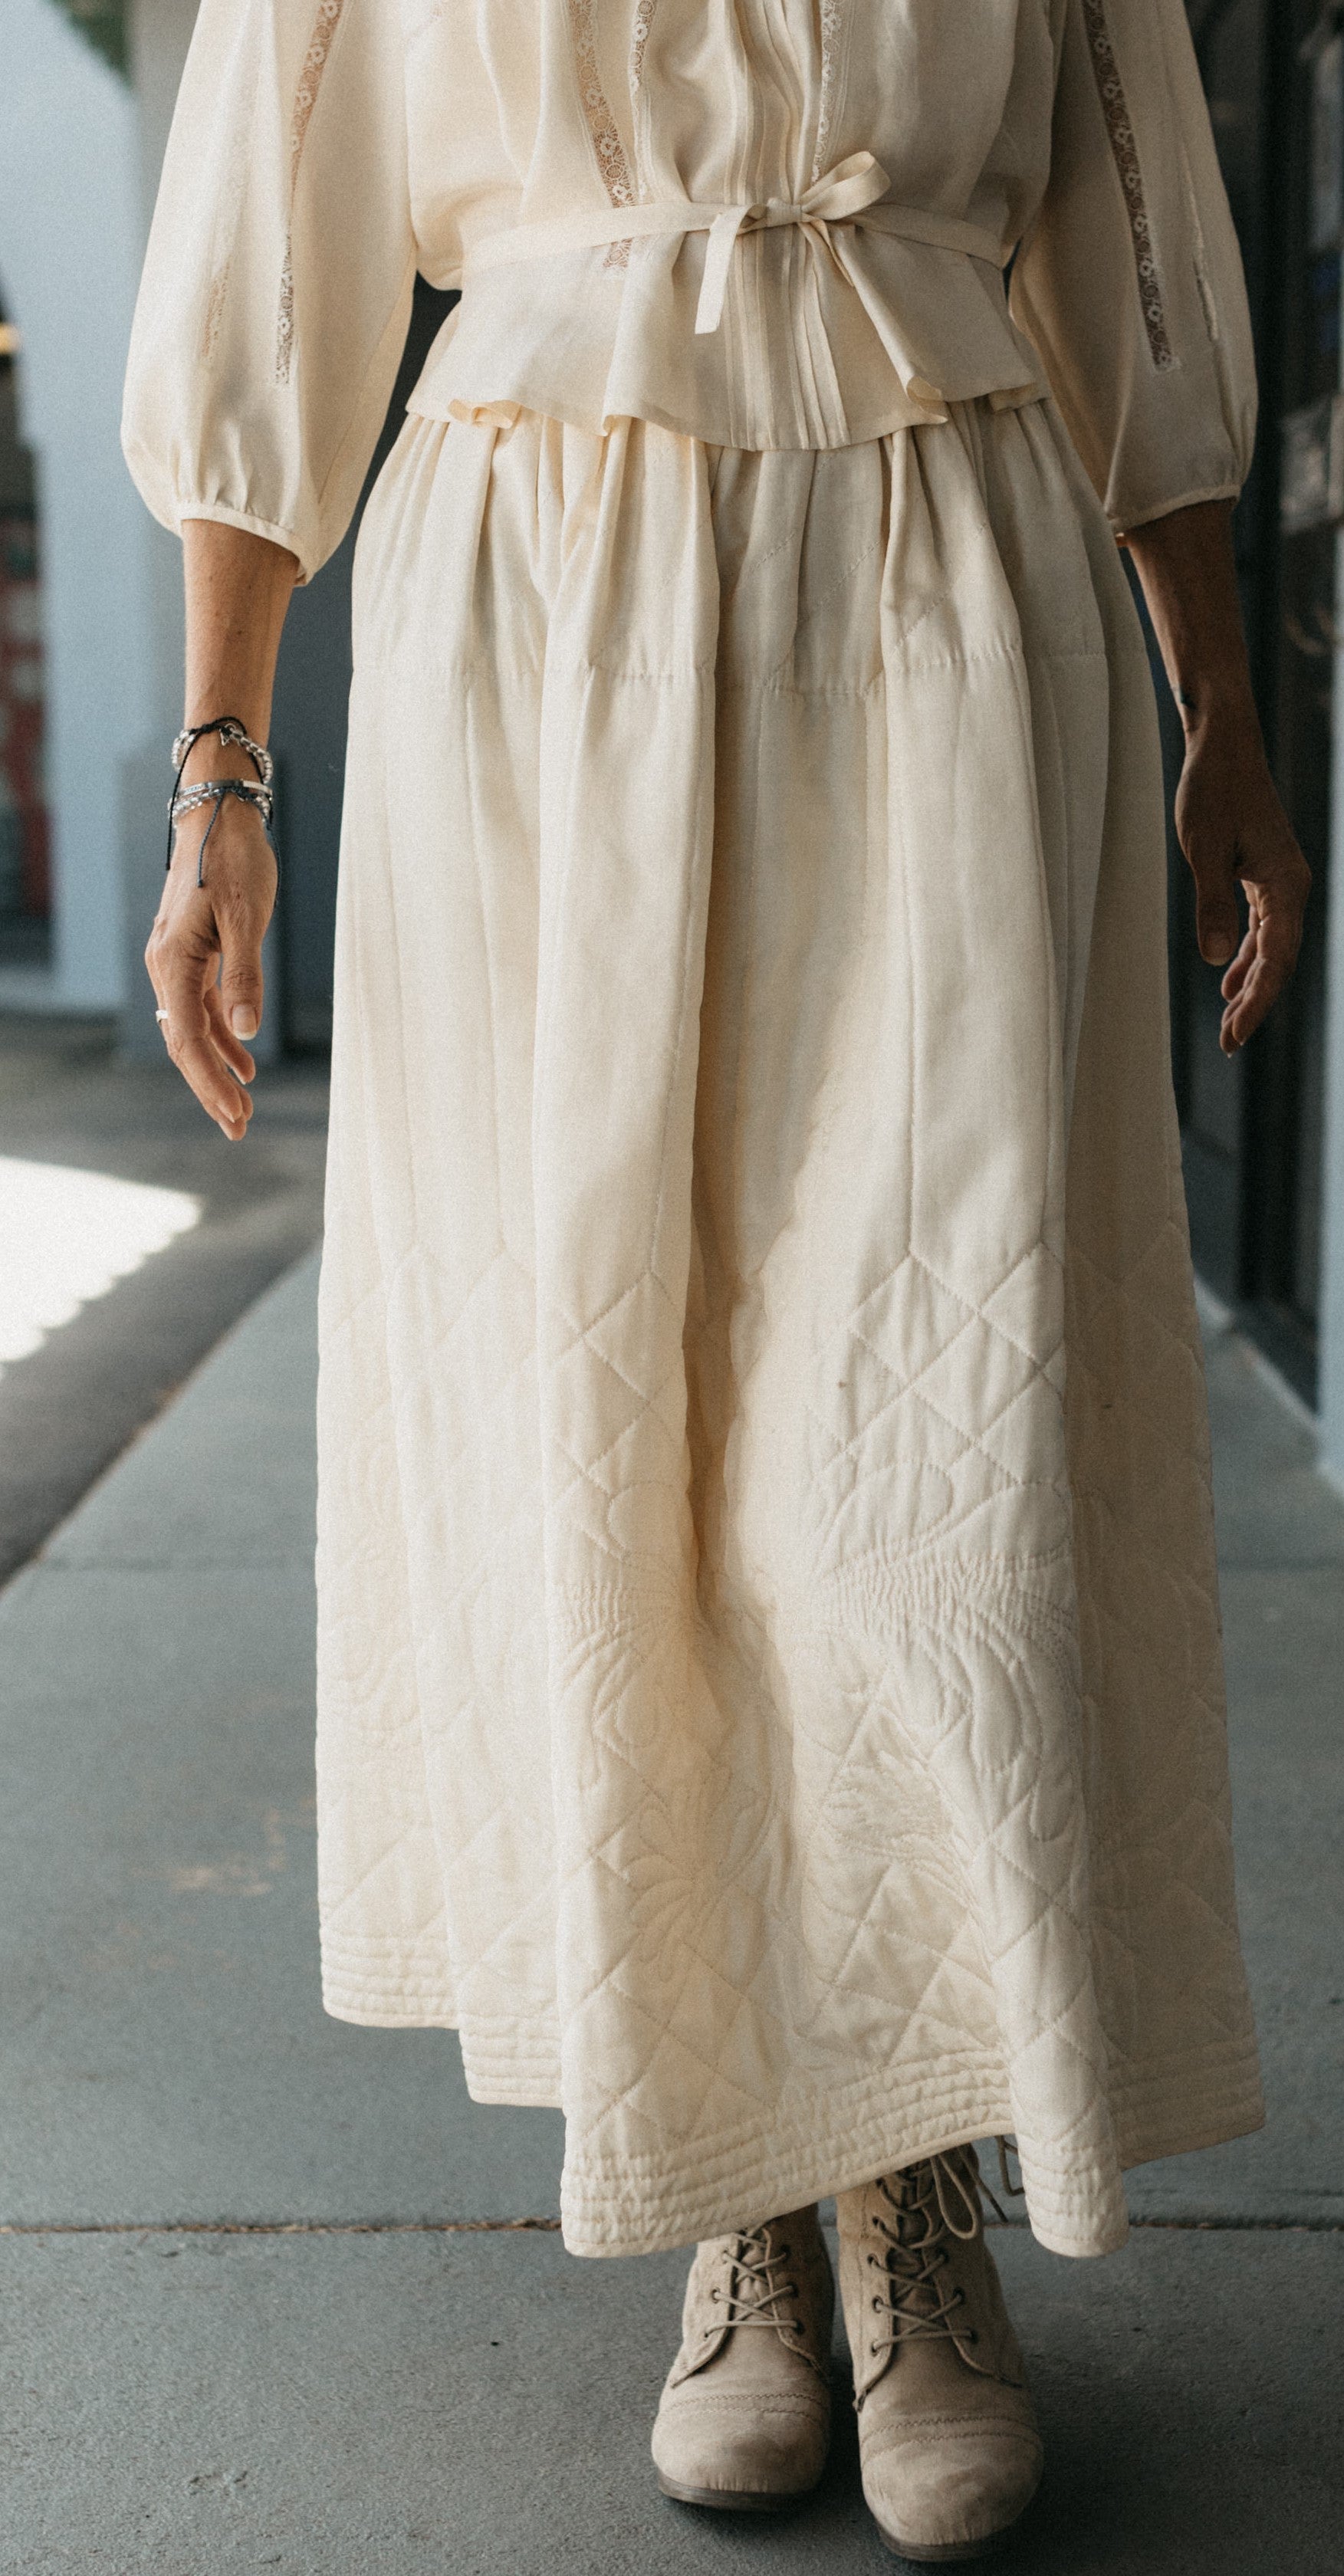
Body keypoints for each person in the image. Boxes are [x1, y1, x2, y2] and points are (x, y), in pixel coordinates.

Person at [123, 0, 1309, 2558]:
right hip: (544, 602)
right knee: (617, 1422)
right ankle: (743, 2212)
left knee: (931, 1410)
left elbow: (1122, 213)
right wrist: (225, 765)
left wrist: (1219, 688)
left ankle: (920, 2191)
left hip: (950, 569)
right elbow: (267, 251)